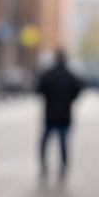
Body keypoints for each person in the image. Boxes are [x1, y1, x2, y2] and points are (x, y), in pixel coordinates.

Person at [36, 49, 84, 181]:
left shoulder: (48, 74)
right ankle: (63, 169)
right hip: (65, 116)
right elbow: (78, 90)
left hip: (50, 116)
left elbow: (39, 89)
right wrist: (69, 100)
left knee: (44, 144)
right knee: (63, 144)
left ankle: (44, 168)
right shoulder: (71, 75)